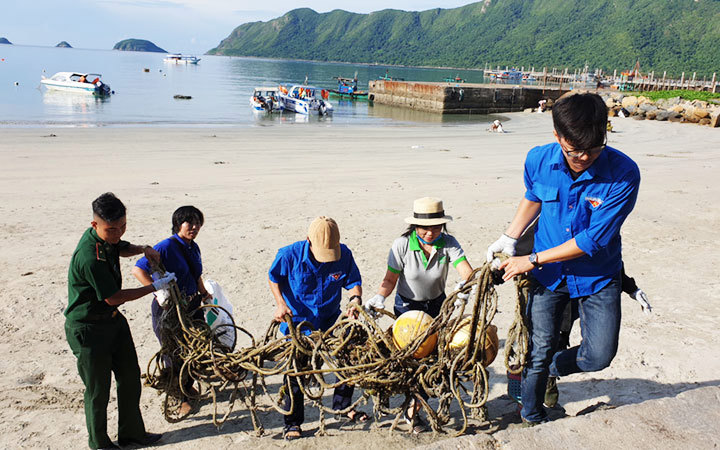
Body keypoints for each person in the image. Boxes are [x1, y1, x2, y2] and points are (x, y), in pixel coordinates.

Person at [486, 92, 640, 426]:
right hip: (549, 278)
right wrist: (510, 237)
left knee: (598, 354)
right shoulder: (538, 160)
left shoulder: (624, 174)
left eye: (594, 148)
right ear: (557, 136)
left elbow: (591, 240)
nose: (584, 156)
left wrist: (532, 259)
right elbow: (533, 197)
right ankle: (531, 413)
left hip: (597, 276)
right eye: (574, 150)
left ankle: (547, 368)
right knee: (537, 348)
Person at [65, 193, 174, 449]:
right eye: (111, 229)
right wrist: (154, 287)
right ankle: (100, 443)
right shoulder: (89, 257)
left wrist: (142, 249)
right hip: (89, 328)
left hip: (113, 323)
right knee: (97, 390)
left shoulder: (107, 238)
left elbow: (119, 246)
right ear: (95, 225)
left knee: (129, 376)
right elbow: (114, 297)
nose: (117, 233)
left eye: (122, 226)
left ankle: (132, 434)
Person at [364, 197, 473, 432]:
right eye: (425, 228)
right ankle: (412, 411)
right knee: (413, 361)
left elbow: (466, 270)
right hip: (407, 309)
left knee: (433, 360)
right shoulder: (401, 245)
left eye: (436, 227)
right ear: (415, 226)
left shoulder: (449, 243)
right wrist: (379, 297)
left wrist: (465, 286)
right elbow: (390, 279)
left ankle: (417, 406)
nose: (431, 233)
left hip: (437, 308)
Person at [268, 216, 364, 440]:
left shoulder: (344, 254)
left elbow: (352, 281)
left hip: (330, 320)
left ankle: (342, 407)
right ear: (308, 240)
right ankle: (292, 423)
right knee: (296, 372)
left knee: (348, 359)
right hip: (300, 324)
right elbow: (274, 277)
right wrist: (281, 304)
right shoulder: (288, 255)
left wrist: (355, 300)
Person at [131, 205, 211, 416]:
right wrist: (156, 291)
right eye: (188, 222)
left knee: (195, 348)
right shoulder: (166, 247)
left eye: (197, 222)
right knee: (174, 353)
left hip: (192, 306)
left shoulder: (194, 247)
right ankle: (178, 397)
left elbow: (196, 274)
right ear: (178, 224)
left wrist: (204, 293)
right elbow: (138, 268)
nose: (193, 226)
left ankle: (188, 387)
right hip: (170, 310)